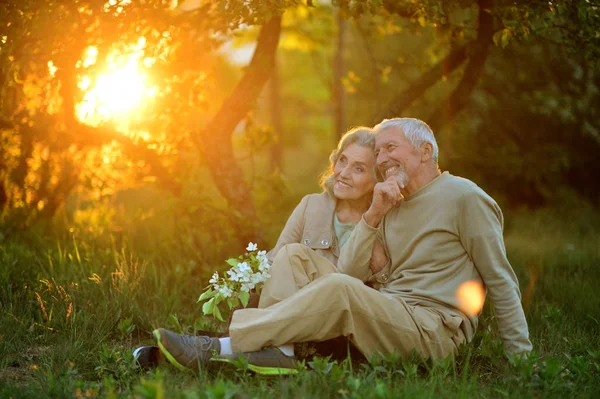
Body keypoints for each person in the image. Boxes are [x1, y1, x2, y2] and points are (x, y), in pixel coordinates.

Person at [152, 118, 532, 374]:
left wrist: (522, 364)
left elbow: (501, 279)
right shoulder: (391, 201)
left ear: (425, 152)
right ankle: (278, 354)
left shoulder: (464, 197)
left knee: (338, 289)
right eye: (379, 152)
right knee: (294, 255)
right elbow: (350, 273)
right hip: (394, 313)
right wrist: (375, 214)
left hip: (435, 331)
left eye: (391, 149)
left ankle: (221, 346)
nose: (383, 159)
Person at [135, 126, 388, 368]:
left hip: (332, 327)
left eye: (358, 168)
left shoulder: (383, 222)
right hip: (288, 320)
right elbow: (277, 258)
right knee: (287, 255)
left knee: (293, 258)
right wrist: (242, 283)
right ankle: (272, 350)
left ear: (375, 179)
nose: (343, 173)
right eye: (342, 160)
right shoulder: (312, 205)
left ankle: (212, 347)